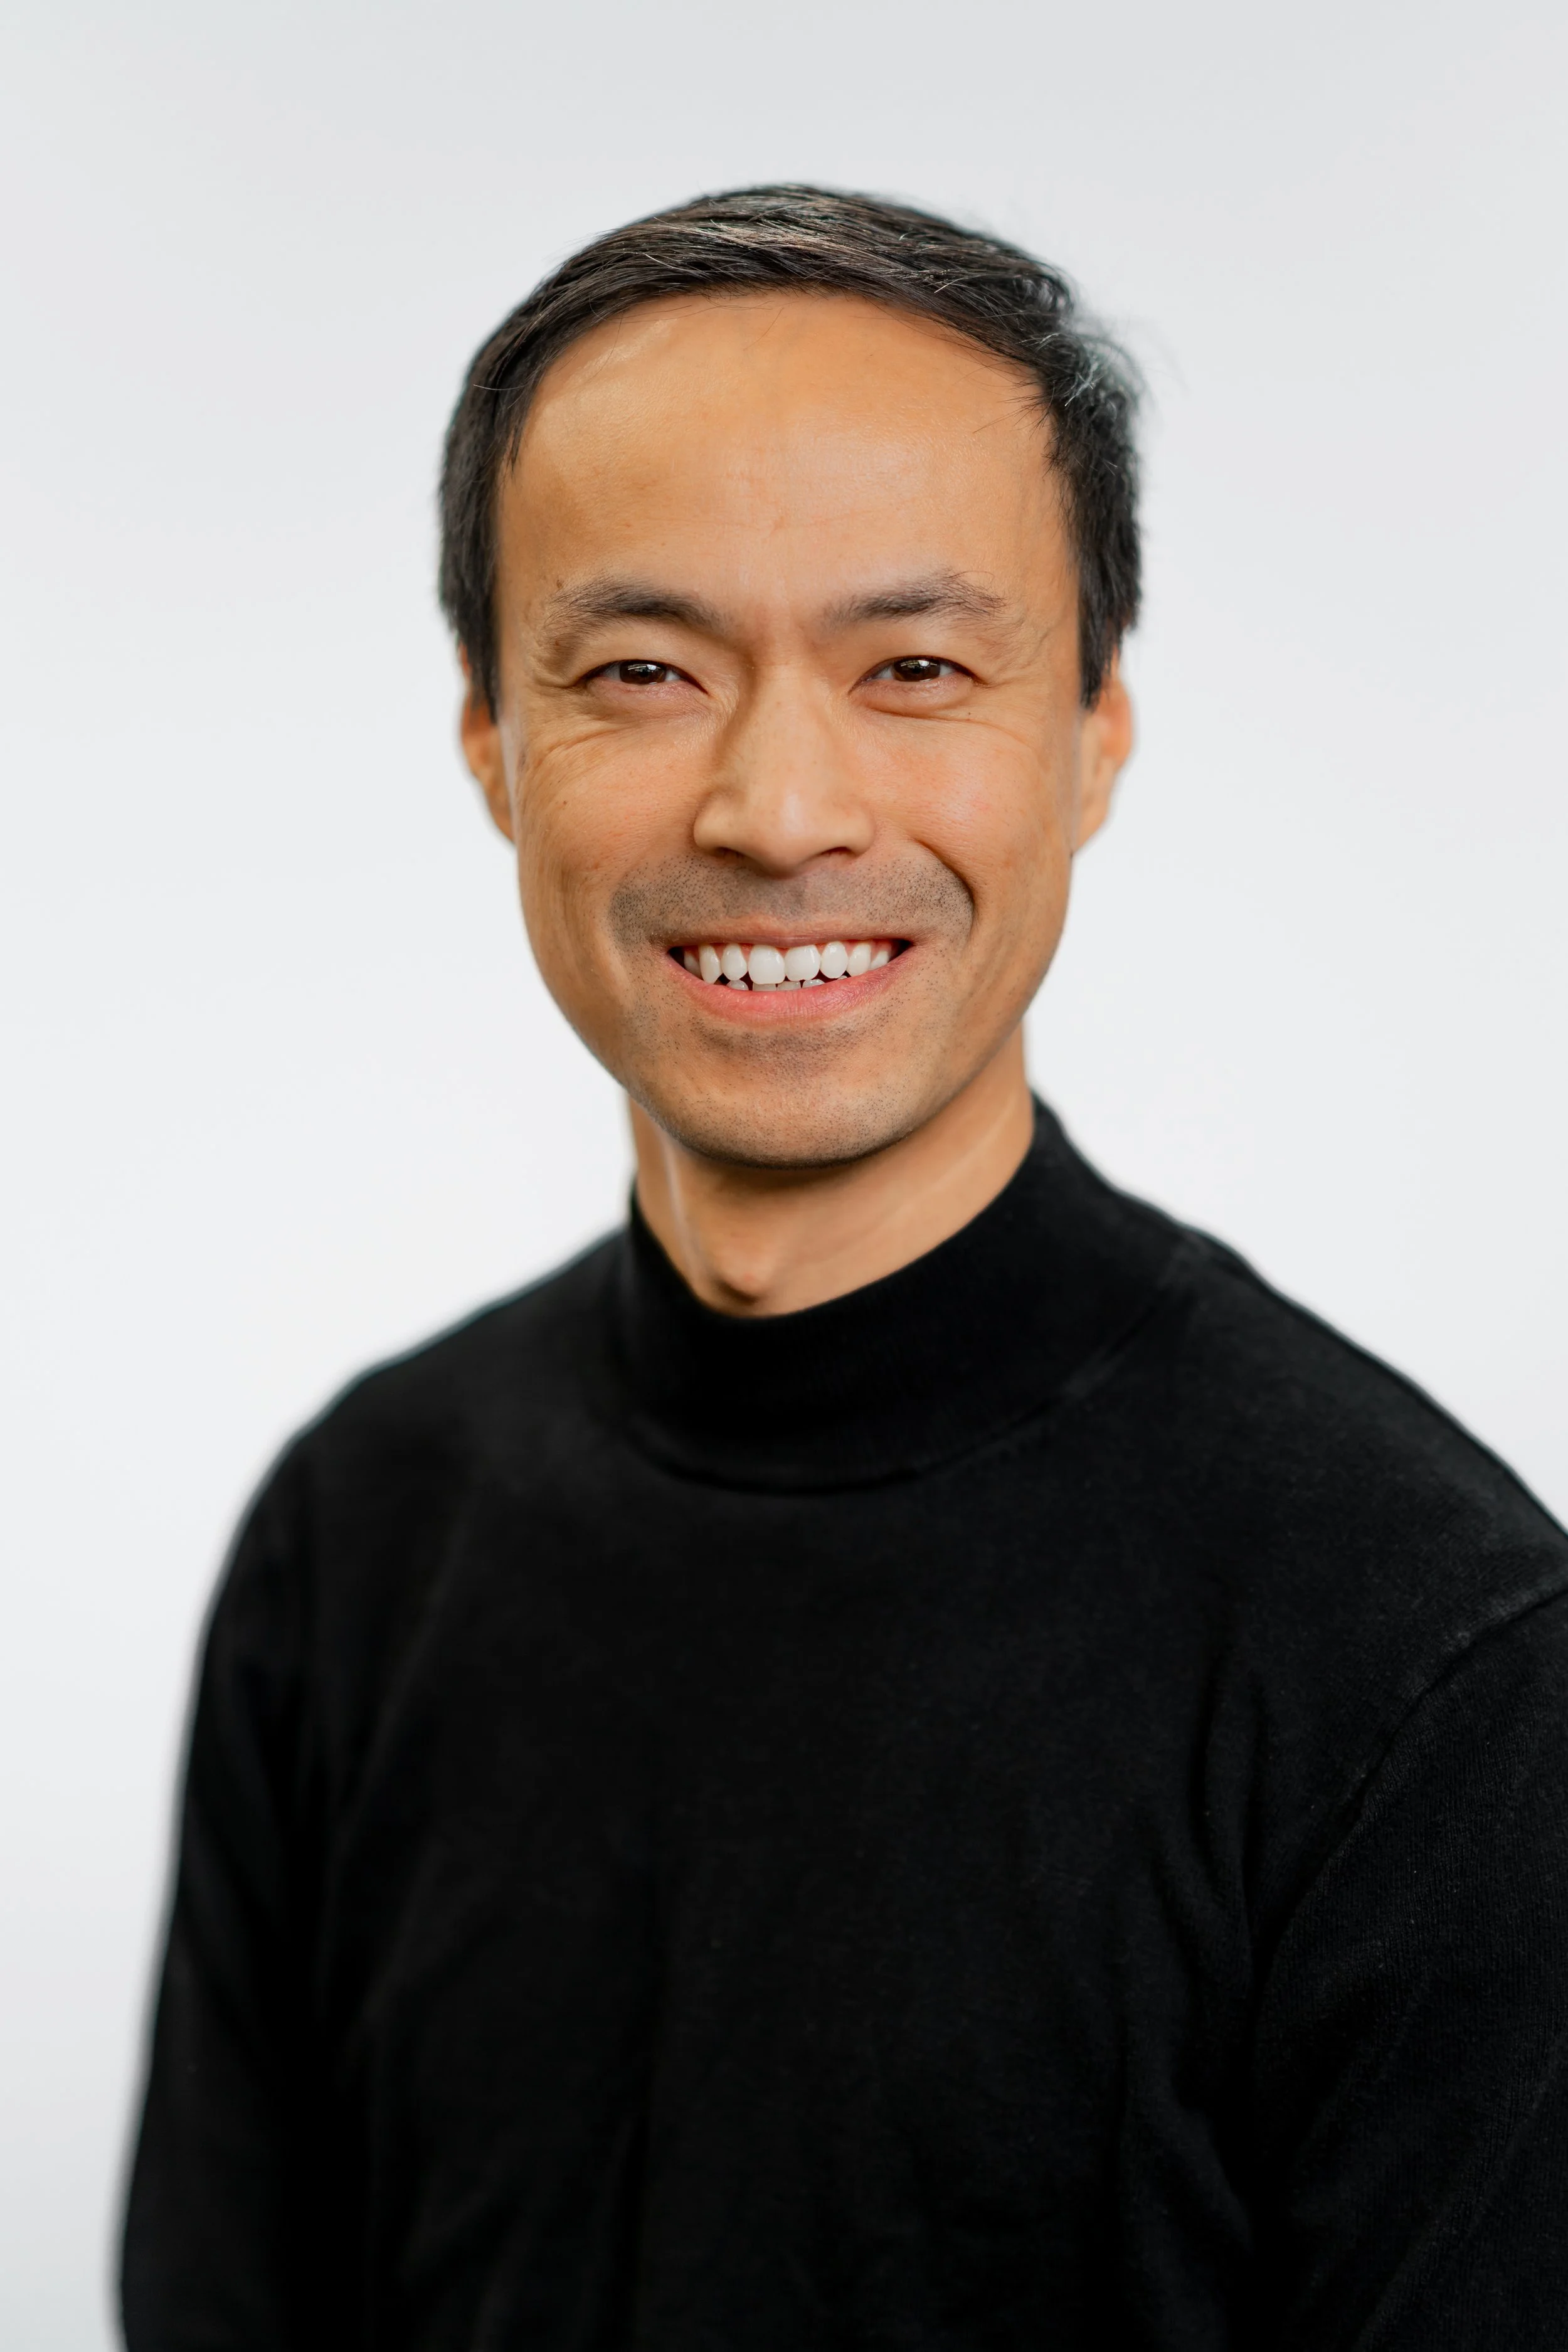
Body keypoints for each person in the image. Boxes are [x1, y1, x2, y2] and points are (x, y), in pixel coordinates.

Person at [122, 186, 1568, 2349]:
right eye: (639, 671)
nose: (780, 803)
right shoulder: (359, 1534)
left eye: (914, 667)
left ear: (1091, 737)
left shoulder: (1427, 1656)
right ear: (491, 749)